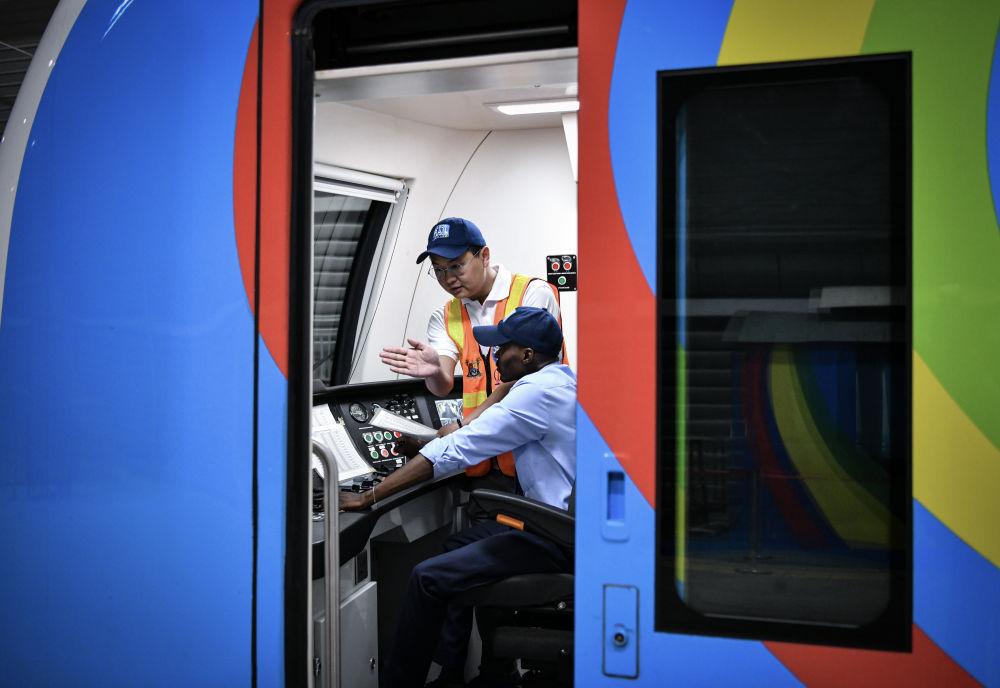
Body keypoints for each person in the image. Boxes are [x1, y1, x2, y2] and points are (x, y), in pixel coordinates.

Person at [343, 307, 576, 688]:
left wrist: (368, 497)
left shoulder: (535, 394)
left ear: (527, 355)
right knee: (456, 545)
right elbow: (470, 433)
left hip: (553, 538)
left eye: (503, 348)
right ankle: (459, 672)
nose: (495, 357)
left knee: (426, 577)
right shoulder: (562, 380)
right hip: (561, 524)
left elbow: (458, 449)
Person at [380, 217, 564, 481]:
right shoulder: (444, 316)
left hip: (536, 453)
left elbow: (528, 381)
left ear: (484, 256)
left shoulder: (532, 293)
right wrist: (434, 371)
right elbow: (441, 387)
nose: (448, 278)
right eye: (439, 270)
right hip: (481, 459)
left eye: (456, 266)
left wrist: (464, 424)